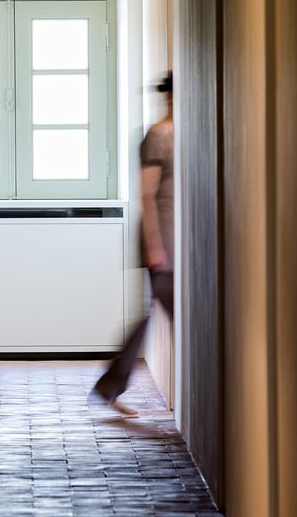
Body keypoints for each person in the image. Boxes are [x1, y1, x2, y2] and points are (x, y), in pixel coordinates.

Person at [92, 72, 174, 417]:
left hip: (175, 240)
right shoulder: (157, 136)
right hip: (162, 240)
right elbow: (147, 194)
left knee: (158, 312)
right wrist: (154, 245)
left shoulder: (179, 133)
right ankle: (110, 384)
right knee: (166, 310)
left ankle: (109, 386)